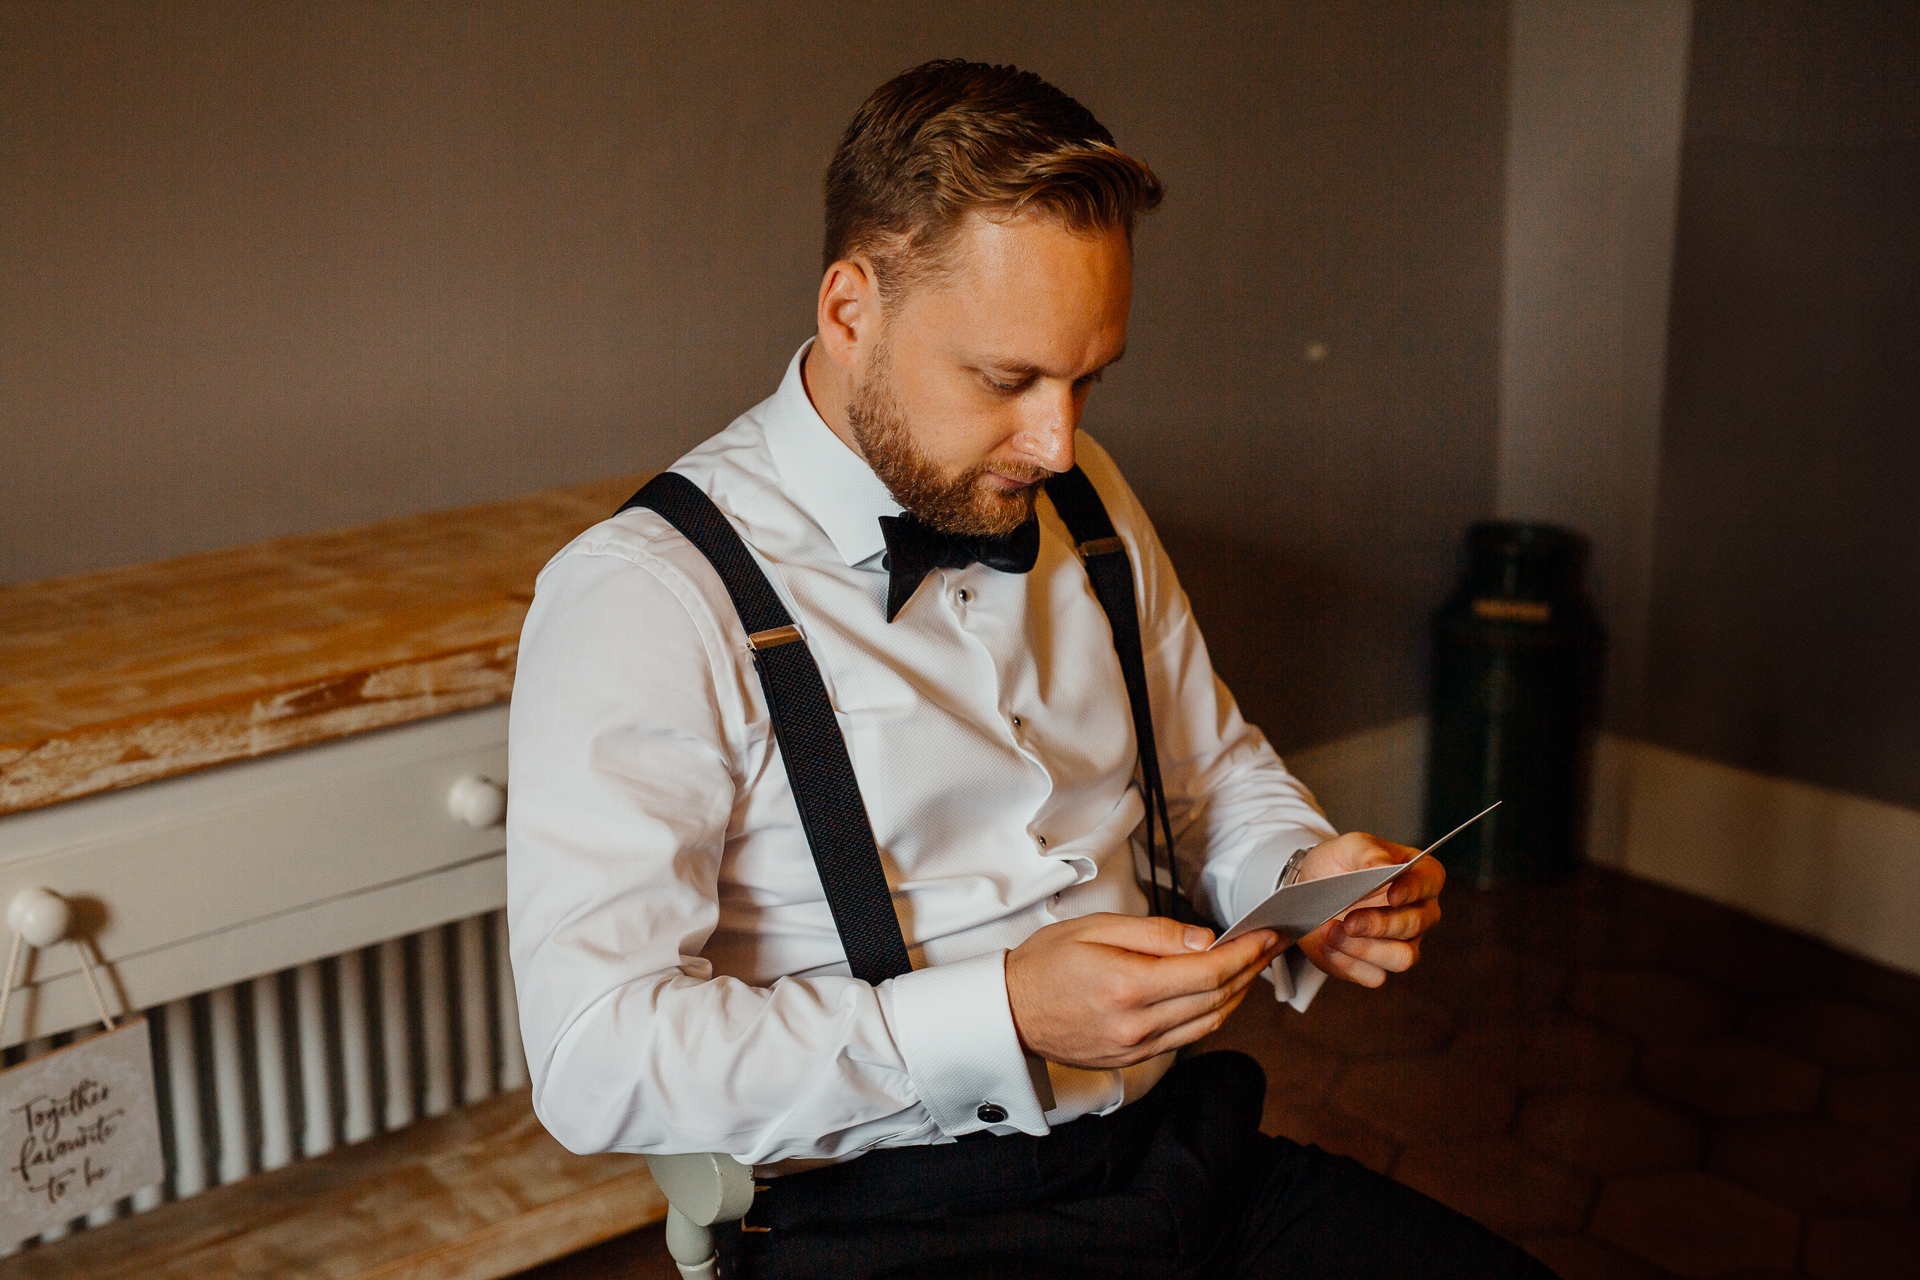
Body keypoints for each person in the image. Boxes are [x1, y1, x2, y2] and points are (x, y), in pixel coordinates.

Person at [507, 59, 1555, 1279]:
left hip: (1178, 1164)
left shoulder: (1087, 494)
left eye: (1088, 377)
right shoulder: (647, 594)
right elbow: (594, 1056)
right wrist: (998, 1012)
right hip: (886, 1221)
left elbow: (1209, 767)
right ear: (852, 311)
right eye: (1007, 381)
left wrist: (1297, 872)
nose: (1059, 441)